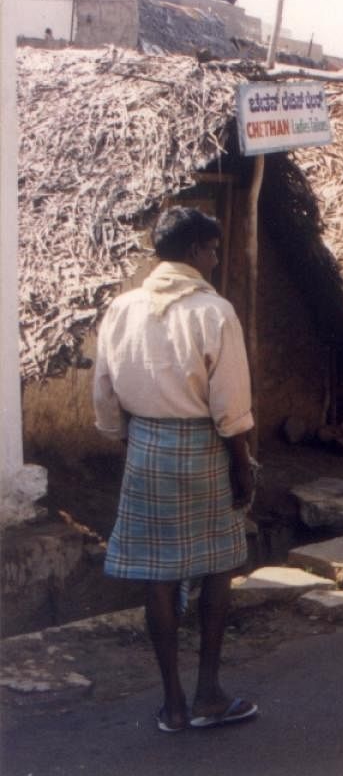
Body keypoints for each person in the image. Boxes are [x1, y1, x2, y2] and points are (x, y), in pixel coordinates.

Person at [93, 207, 258, 733]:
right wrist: (243, 467)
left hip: (145, 445)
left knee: (158, 576)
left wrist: (127, 439)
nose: (214, 256)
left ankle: (173, 706)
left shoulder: (122, 308)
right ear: (193, 253)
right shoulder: (214, 311)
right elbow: (230, 403)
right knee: (217, 567)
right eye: (211, 248)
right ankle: (208, 693)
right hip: (206, 447)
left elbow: (104, 388)